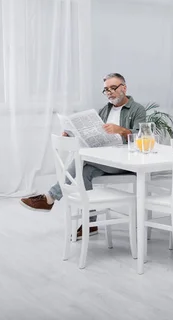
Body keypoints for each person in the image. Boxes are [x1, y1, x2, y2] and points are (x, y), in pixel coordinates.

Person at [20, 73, 147, 239]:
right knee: (85, 172)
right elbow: (93, 135)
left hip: (124, 162)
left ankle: (50, 197)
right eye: (106, 90)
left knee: (83, 158)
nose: (109, 92)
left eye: (113, 88)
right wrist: (72, 133)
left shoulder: (137, 109)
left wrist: (121, 130)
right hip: (104, 159)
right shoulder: (104, 110)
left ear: (124, 87)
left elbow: (142, 137)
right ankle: (91, 224)